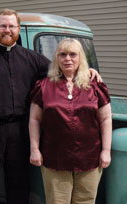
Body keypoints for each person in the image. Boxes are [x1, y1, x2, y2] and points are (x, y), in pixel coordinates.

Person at [0, 9, 101, 204]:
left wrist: (86, 70)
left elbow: (60, 70)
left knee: (19, 181)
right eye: (3, 26)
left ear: (18, 29)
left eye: (11, 26)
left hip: (20, 130)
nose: (7, 30)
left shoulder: (32, 58)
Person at [29, 38, 112, 204]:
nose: (67, 58)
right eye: (63, 54)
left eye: (73, 54)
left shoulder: (95, 85)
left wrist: (106, 151)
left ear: (80, 57)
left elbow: (106, 119)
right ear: (57, 59)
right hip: (55, 157)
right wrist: (35, 149)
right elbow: (34, 119)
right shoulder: (44, 86)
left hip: (89, 157)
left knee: (86, 201)